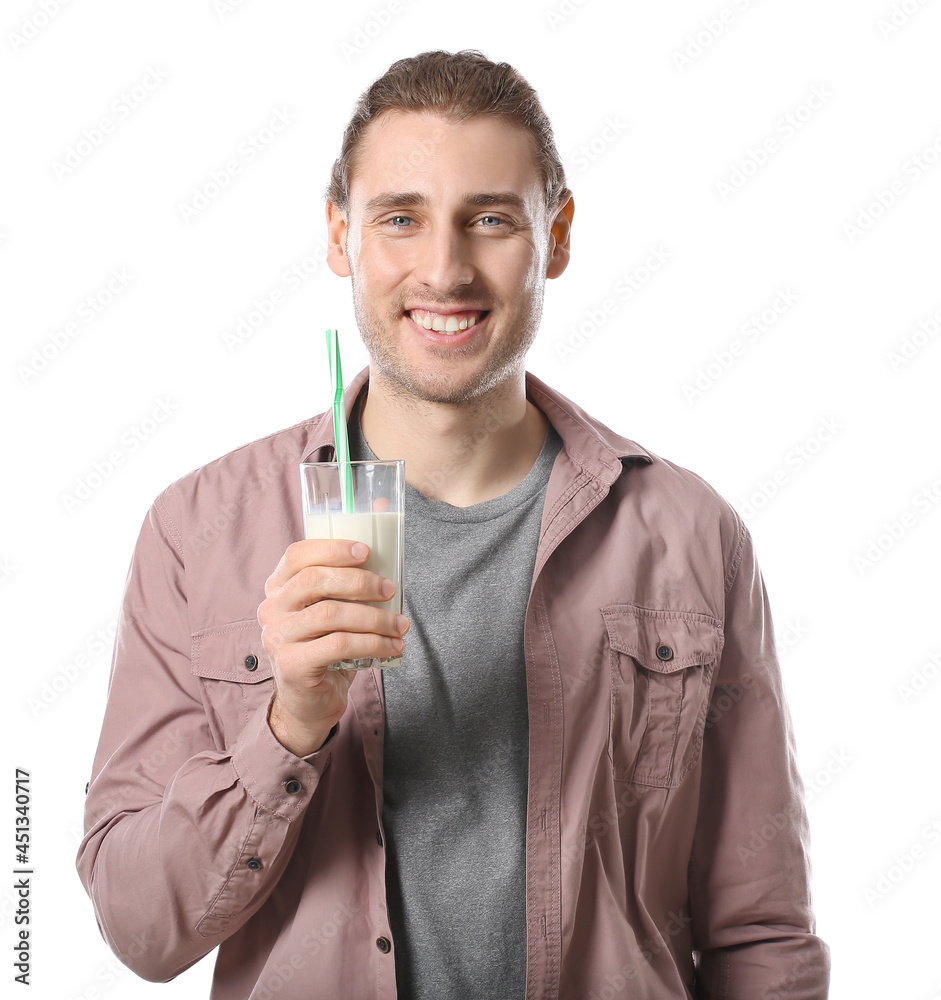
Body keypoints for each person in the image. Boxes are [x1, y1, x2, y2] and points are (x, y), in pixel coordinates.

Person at [77, 49, 830, 1000]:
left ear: (554, 237)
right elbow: (141, 929)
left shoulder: (690, 534)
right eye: (400, 218)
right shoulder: (197, 529)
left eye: (489, 219)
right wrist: (291, 722)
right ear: (338, 236)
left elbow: (760, 932)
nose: (444, 269)